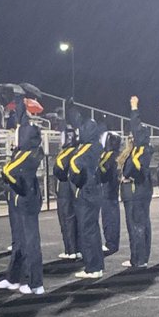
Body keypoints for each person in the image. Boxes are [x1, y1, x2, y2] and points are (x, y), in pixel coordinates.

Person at [0, 95, 45, 294]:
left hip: (26, 199)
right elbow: (22, 122)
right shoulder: (23, 149)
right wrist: (19, 104)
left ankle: (35, 282)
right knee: (18, 241)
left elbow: (8, 171)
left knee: (30, 242)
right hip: (16, 199)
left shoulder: (31, 153)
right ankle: (14, 278)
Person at [69, 114, 105, 279]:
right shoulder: (96, 145)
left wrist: (75, 181)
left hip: (86, 191)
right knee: (93, 230)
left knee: (87, 230)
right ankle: (97, 265)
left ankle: (92, 267)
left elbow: (76, 166)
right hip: (94, 190)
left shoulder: (87, 148)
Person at [121, 96, 154, 269]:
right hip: (144, 190)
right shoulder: (145, 149)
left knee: (136, 225)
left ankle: (138, 259)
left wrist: (134, 108)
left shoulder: (140, 150)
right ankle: (143, 257)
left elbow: (134, 168)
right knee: (143, 224)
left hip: (136, 191)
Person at [52, 123, 80, 260]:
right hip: (73, 189)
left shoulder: (67, 153)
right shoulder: (78, 150)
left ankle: (71, 250)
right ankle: (76, 248)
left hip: (65, 189)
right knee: (74, 219)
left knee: (66, 219)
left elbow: (58, 169)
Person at [99, 130, 122, 254]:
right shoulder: (116, 154)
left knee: (109, 218)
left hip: (107, 190)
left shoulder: (109, 155)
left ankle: (111, 243)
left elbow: (102, 170)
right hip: (111, 190)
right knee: (111, 217)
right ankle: (112, 242)